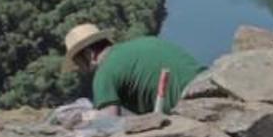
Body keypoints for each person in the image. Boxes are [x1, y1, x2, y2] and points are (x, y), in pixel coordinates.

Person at [61, 23, 205, 116]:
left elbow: (108, 122)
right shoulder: (148, 41)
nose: (79, 69)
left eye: (78, 63)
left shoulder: (104, 73)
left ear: (89, 54)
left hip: (193, 108)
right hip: (209, 83)